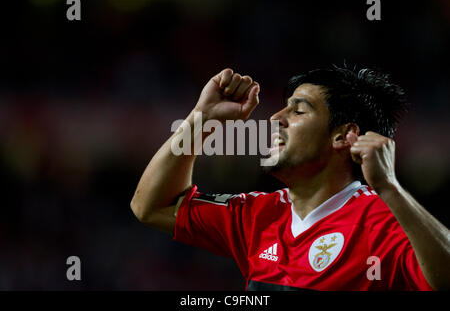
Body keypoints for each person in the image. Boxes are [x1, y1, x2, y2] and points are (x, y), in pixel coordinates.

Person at [130, 66, 450, 290]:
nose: (275, 118)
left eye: (298, 110)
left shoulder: (383, 223)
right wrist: (202, 119)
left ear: (343, 137)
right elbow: (150, 206)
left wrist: (390, 188)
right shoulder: (257, 215)